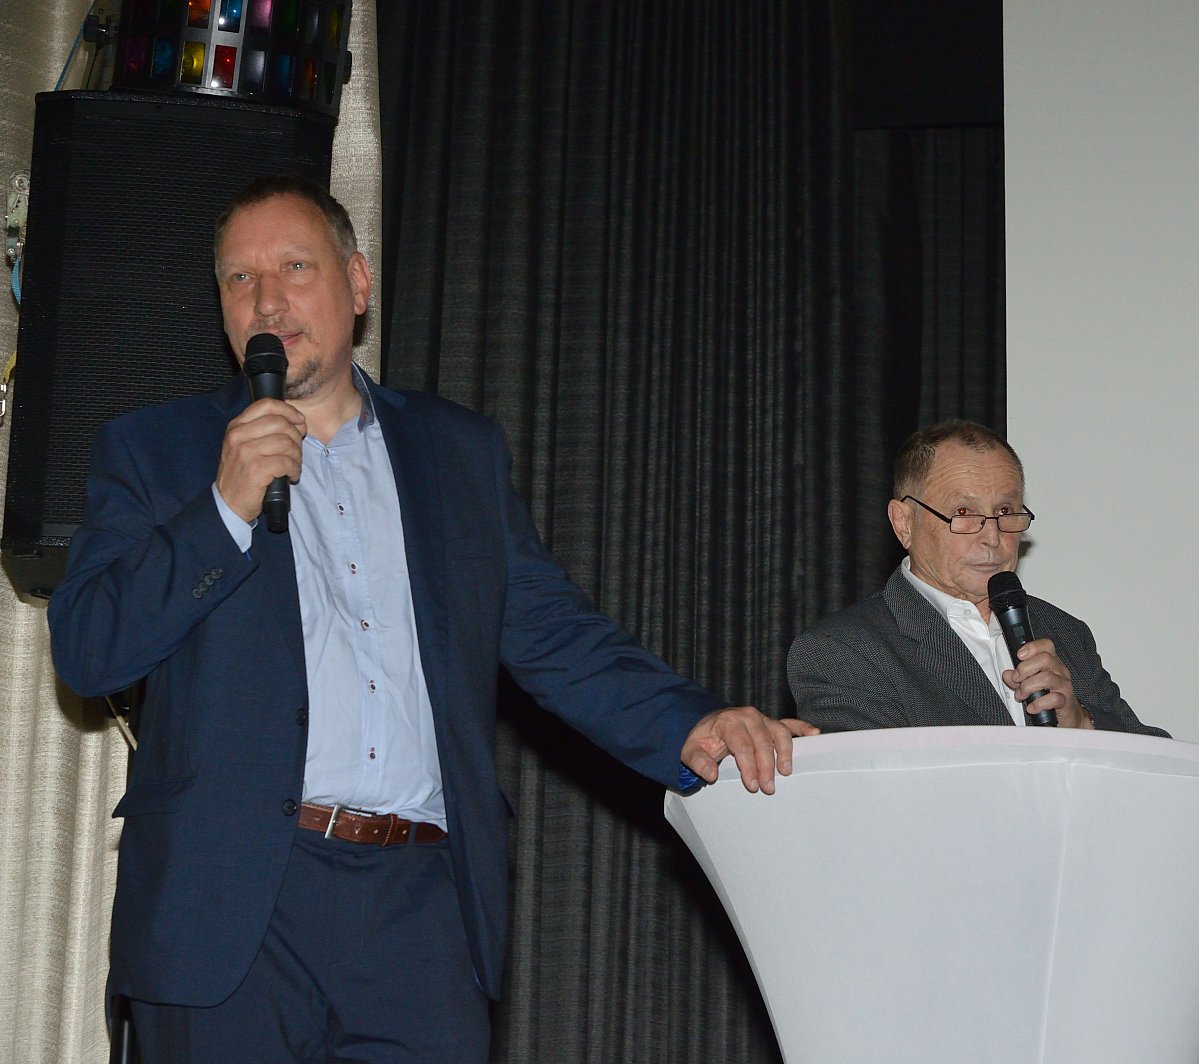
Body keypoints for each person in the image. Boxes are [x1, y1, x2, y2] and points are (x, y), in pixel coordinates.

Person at [46, 174, 815, 1063]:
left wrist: (691, 724)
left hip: (421, 913)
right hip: (233, 911)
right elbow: (90, 648)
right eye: (239, 278)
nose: (267, 300)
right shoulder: (156, 449)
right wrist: (221, 511)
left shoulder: (457, 453)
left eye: (295, 267)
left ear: (357, 282)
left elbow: (555, 635)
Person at [788, 419, 1166, 736]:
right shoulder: (844, 650)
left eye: (1005, 510)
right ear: (904, 523)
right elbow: (877, 788)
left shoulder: (1063, 632)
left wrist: (1081, 723)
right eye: (963, 512)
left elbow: (1157, 761)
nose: (992, 537)